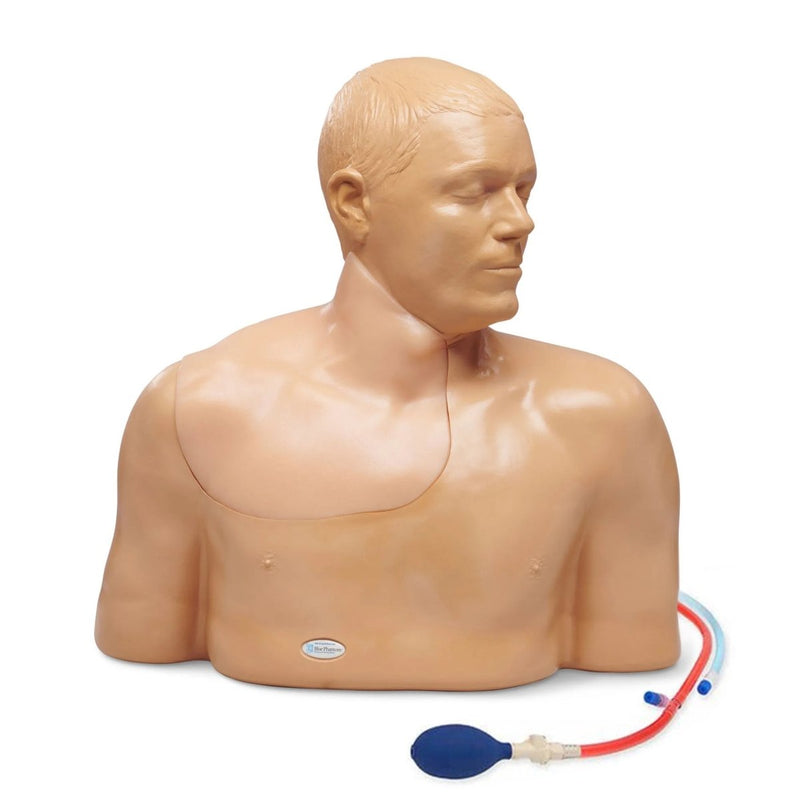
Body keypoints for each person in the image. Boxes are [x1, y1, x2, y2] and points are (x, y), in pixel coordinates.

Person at [95, 57, 679, 690]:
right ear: (354, 204)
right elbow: (142, 640)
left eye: (523, 190)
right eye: (475, 192)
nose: (520, 222)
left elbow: (631, 647)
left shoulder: (602, 419)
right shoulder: (196, 410)